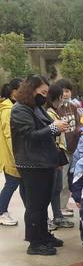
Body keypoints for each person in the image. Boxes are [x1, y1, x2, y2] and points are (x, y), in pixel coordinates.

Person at [10, 75, 68, 255]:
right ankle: (35, 243)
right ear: (31, 89)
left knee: (43, 203)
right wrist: (53, 128)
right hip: (31, 164)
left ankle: (43, 235)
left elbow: (46, 128)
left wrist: (57, 127)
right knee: (35, 205)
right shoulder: (20, 110)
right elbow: (30, 135)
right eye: (42, 92)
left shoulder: (35, 108)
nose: (44, 96)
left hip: (43, 162)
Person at [46, 83, 74, 229]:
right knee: (51, 189)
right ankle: (49, 218)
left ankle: (58, 215)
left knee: (57, 188)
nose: (62, 101)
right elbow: (49, 134)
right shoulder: (49, 113)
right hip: (52, 155)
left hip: (57, 154)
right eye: (60, 98)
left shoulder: (54, 111)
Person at [56, 78, 80, 217]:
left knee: (69, 179)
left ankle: (63, 206)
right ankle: (59, 208)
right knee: (62, 181)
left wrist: (79, 130)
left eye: (68, 91)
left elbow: (78, 124)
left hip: (73, 148)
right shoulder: (56, 108)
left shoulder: (73, 107)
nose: (65, 94)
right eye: (63, 91)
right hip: (62, 149)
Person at [0, 78, 23, 226]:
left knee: (12, 183)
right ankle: (1, 212)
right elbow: (9, 135)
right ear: (14, 91)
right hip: (10, 154)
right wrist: (16, 156)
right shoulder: (8, 110)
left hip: (13, 153)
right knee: (12, 182)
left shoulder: (13, 106)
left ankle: (2, 210)